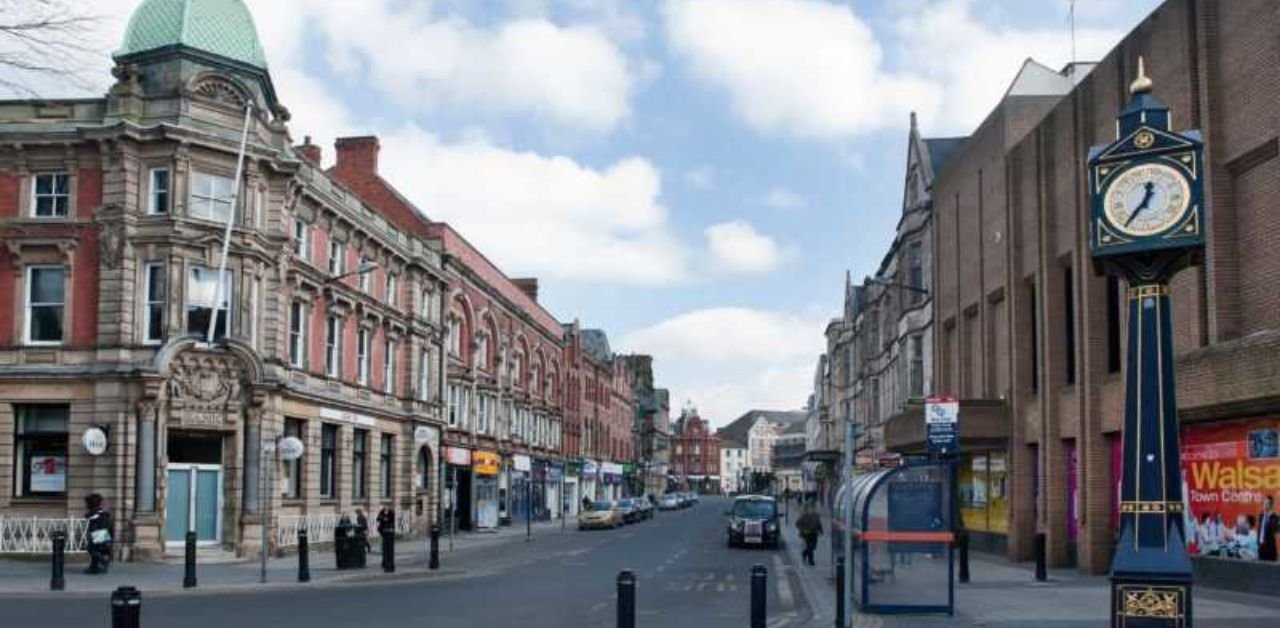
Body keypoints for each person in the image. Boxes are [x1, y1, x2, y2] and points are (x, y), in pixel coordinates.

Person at [83, 493, 112, 575]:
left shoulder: (95, 511)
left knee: (92, 549)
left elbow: (87, 516)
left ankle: (102, 561)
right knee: (98, 550)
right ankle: (94, 567)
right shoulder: (102, 511)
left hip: (98, 532)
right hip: (103, 532)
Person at [1259, 496, 1279, 562]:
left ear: (1271, 505)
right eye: (1264, 503)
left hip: (1270, 548)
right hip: (1261, 547)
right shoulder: (1261, 516)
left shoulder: (1276, 517)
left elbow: (1277, 531)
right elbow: (1260, 530)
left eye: (1266, 503)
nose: (1264, 505)